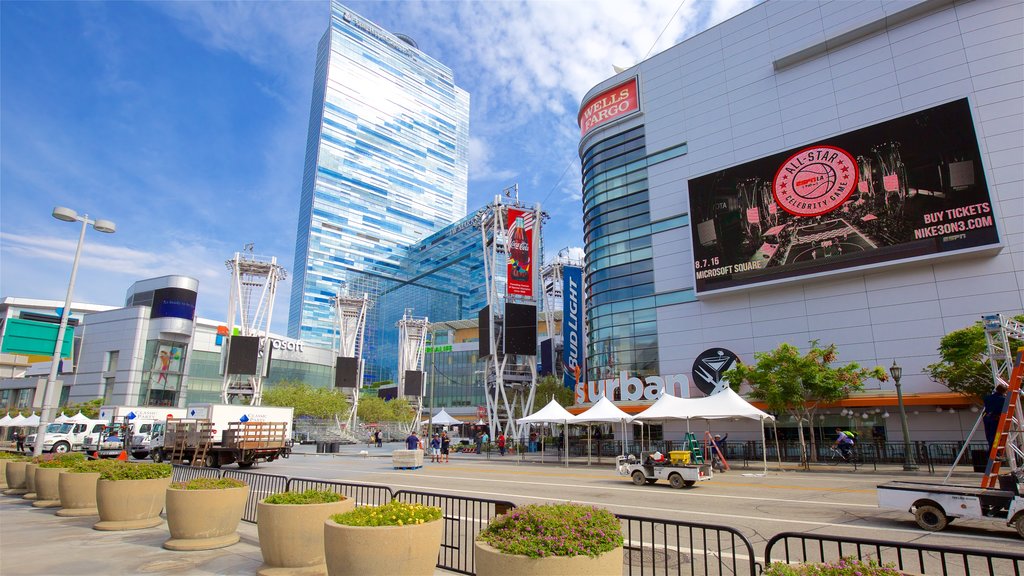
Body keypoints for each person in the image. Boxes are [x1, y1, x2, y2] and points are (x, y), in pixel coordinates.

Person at [983, 383, 1009, 449]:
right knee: (996, 436)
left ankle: (991, 450)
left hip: (986, 417)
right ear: (1004, 391)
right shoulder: (1003, 399)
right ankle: (994, 451)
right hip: (995, 418)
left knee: (988, 435)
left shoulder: (987, 397)